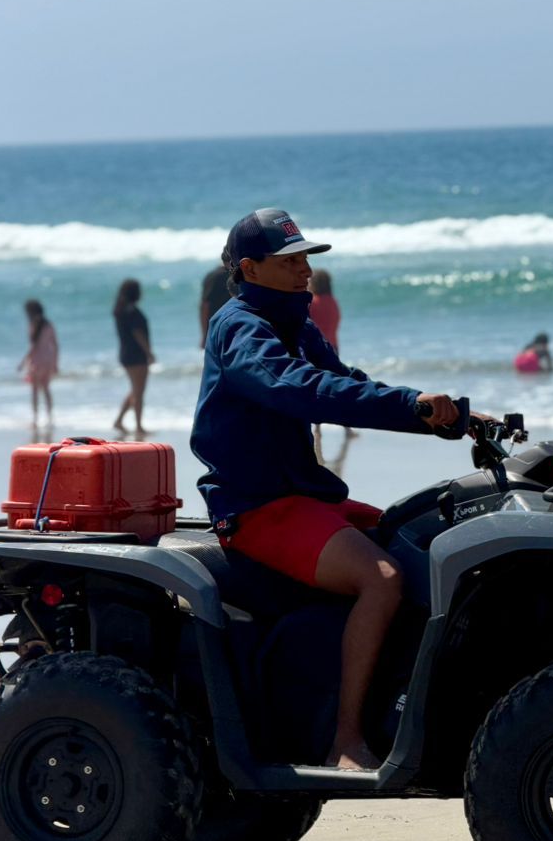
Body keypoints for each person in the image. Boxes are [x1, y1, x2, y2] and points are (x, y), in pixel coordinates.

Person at [191, 206, 493, 773]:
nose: (305, 269)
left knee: (418, 540)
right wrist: (410, 406)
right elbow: (295, 386)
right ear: (250, 269)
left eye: (306, 258)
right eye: (290, 261)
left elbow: (347, 383)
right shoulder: (240, 327)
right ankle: (346, 740)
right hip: (258, 505)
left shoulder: (294, 323)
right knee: (382, 578)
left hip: (302, 495)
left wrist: (448, 418)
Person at [308, 268, 345, 459]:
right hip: (333, 347)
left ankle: (317, 428)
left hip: (317, 349)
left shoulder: (312, 303)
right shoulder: (333, 302)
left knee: (316, 388)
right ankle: (348, 426)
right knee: (338, 385)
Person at [112, 278, 154, 433]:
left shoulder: (121, 310)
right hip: (136, 355)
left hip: (126, 353)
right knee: (139, 392)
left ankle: (119, 421)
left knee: (136, 390)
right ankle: (138, 426)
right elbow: (138, 334)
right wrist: (149, 352)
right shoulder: (132, 312)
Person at [18, 299, 59, 420]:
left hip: (36, 361)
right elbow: (55, 345)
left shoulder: (33, 325)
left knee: (35, 391)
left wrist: (23, 362)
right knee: (46, 389)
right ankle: (50, 417)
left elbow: (33, 347)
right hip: (48, 360)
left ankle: (35, 418)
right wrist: (55, 363)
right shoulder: (49, 325)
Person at [199, 264, 232, 346]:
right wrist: (204, 335)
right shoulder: (222, 276)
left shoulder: (212, 275)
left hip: (216, 327)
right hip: (223, 327)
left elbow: (204, 305)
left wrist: (204, 335)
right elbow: (205, 305)